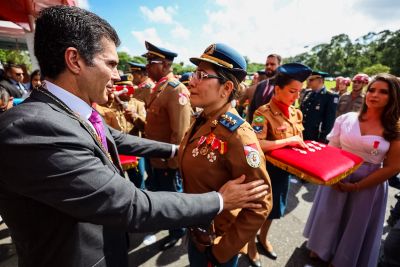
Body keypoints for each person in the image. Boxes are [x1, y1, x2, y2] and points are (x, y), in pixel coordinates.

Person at [0, 6, 269, 267]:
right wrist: (220, 201)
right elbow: (131, 204)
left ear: (227, 88)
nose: (119, 75)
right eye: (111, 64)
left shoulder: (66, 111)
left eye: (202, 75)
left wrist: (176, 151)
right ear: (74, 60)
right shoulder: (33, 128)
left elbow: (116, 138)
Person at [180, 43, 272, 267]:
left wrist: (221, 251)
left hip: (215, 245)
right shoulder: (204, 120)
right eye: (195, 73)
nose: (192, 81)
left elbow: (260, 204)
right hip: (196, 232)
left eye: (202, 75)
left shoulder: (238, 136)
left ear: (226, 88)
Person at [303, 73, 400, 267]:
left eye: (383, 92)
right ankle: (321, 249)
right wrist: (333, 177)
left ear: (394, 97)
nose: (374, 95)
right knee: (329, 214)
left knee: (354, 225)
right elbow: (332, 149)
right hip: (337, 175)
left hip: (369, 184)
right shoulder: (346, 118)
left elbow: (393, 167)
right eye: (372, 90)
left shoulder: (394, 129)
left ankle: (342, 260)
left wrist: (357, 186)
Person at [248, 63, 312, 265]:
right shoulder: (262, 113)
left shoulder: (296, 113)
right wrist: (287, 141)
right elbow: (256, 143)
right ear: (277, 89)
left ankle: (263, 238)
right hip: (264, 173)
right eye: (292, 91)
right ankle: (249, 245)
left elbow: (300, 139)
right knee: (256, 212)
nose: (296, 97)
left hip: (284, 173)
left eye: (299, 92)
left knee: (274, 211)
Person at [142, 41, 193, 250]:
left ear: (163, 65)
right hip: (156, 158)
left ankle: (177, 231)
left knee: (172, 198)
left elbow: (179, 134)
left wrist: (172, 164)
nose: (147, 67)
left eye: (150, 62)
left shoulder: (175, 89)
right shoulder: (160, 87)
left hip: (167, 162)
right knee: (161, 196)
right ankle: (167, 224)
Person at [300, 70, 339, 143]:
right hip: (302, 133)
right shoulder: (308, 93)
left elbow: (329, 121)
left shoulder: (330, 96)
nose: (308, 82)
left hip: (316, 136)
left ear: (320, 81)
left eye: (311, 80)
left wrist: (323, 139)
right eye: (308, 79)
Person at [247, 54, 281, 123]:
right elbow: (252, 108)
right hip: (257, 127)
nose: (268, 66)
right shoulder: (261, 85)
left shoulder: (284, 87)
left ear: (279, 66)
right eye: (267, 64)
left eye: (272, 64)